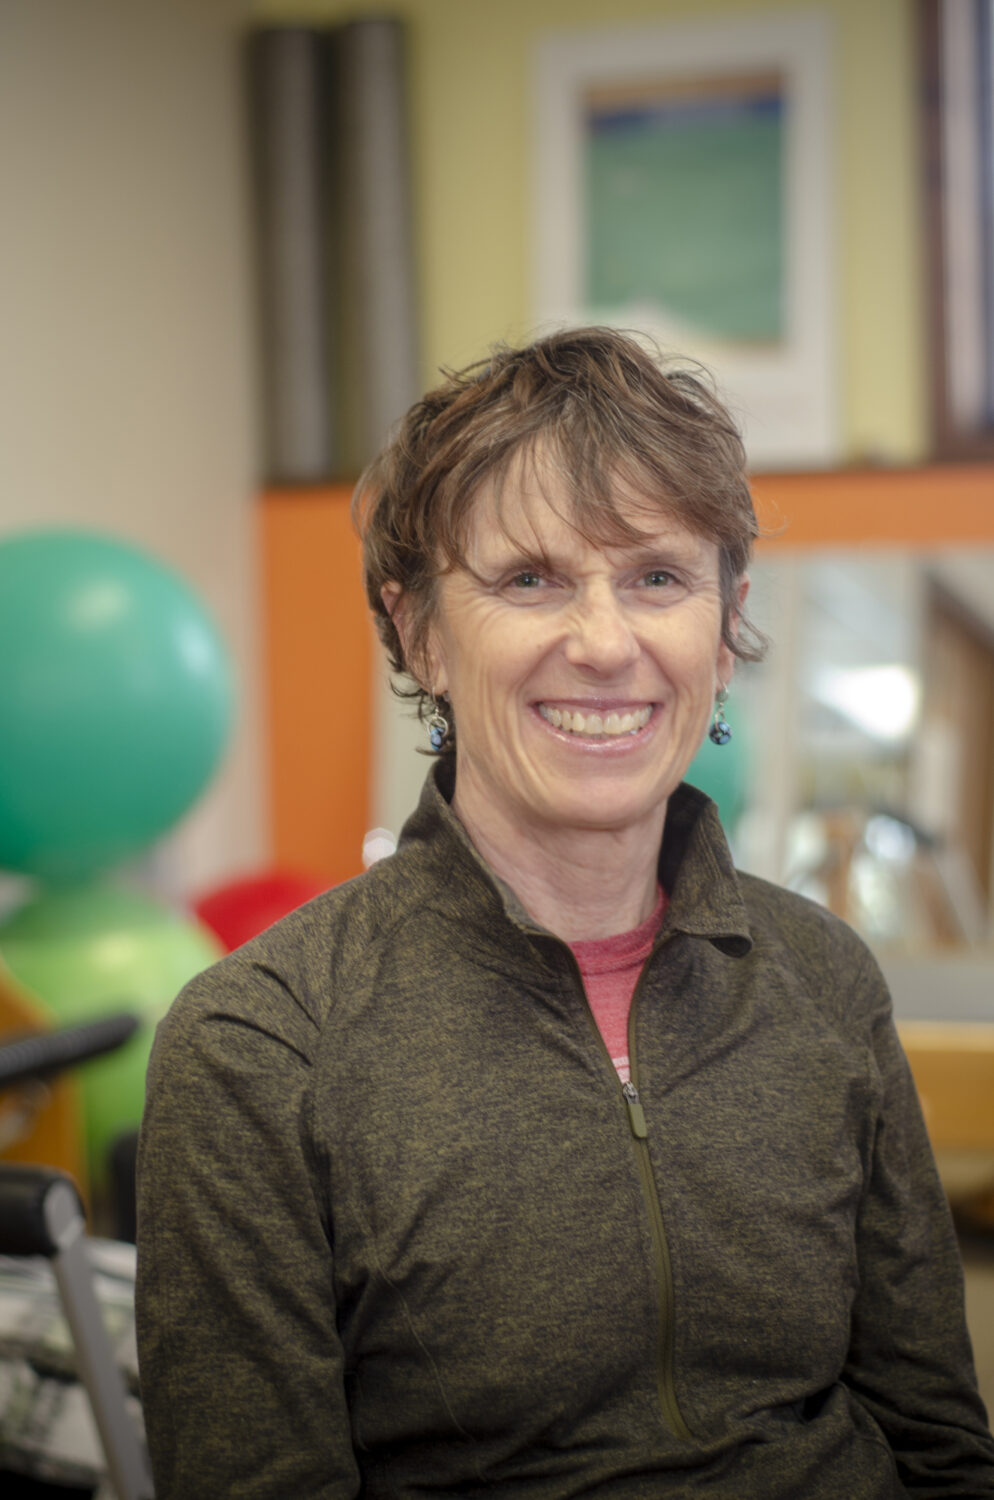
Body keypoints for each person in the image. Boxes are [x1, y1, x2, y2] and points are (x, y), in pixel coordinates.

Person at [135, 328, 994, 1498]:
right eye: (529, 579)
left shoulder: (825, 980)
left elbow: (939, 1445)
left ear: (723, 628)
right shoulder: (259, 1046)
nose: (603, 643)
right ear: (421, 632)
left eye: (657, 578)